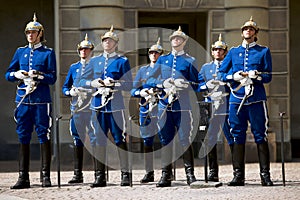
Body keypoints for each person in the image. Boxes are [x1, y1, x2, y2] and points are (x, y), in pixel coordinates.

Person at [218, 16, 273, 186]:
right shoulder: (233, 52)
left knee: (260, 135)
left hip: (256, 99)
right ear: (241, 33)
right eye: (245, 29)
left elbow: (268, 76)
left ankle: (265, 175)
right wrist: (232, 76)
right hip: (236, 98)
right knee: (237, 135)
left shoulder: (263, 51)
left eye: (250, 29)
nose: (247, 31)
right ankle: (238, 176)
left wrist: (257, 76)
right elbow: (220, 73)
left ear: (256, 33)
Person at [5, 13, 57, 189]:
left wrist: (39, 75)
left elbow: (52, 78)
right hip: (23, 100)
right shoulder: (20, 52)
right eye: (28, 32)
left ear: (40, 33)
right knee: (23, 136)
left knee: (44, 135)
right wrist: (16, 74)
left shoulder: (48, 53)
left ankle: (45, 176)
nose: (30, 35)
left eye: (33, 32)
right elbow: (8, 74)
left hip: (41, 101)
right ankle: (23, 177)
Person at [79, 25, 132, 187]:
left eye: (110, 41)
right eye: (105, 41)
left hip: (115, 106)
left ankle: (125, 174)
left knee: (119, 139)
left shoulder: (122, 61)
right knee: (98, 140)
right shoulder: (94, 61)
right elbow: (81, 81)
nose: (107, 43)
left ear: (116, 43)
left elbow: (129, 84)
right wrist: (93, 82)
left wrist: (115, 84)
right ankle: (99, 176)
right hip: (97, 106)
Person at [146, 26, 199, 187]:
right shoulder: (162, 60)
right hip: (164, 106)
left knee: (185, 140)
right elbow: (150, 81)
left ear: (184, 42)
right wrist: (162, 82)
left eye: (179, 39)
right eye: (173, 39)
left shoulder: (190, 61)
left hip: (183, 106)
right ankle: (165, 174)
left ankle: (190, 174)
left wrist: (185, 84)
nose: (176, 41)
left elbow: (197, 84)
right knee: (165, 140)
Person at [198, 34, 234, 182]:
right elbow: (198, 84)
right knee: (210, 138)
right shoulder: (206, 68)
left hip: (226, 104)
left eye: (221, 50)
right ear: (212, 52)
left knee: (231, 137)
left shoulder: (230, 67)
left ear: (225, 52)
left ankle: (237, 172)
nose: (218, 52)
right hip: (211, 105)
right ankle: (213, 172)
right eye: (215, 50)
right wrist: (206, 86)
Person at [62, 34, 95, 184]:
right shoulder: (73, 67)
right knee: (77, 139)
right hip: (77, 108)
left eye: (87, 49)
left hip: (91, 107)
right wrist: (70, 92)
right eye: (82, 49)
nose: (84, 51)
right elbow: (65, 87)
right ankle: (77, 174)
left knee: (95, 139)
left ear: (91, 51)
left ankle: (98, 175)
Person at [131, 38, 164, 183]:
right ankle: (149, 172)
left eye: (157, 53)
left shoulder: (165, 70)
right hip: (145, 107)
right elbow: (133, 89)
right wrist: (141, 93)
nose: (154, 55)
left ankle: (165, 172)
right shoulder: (142, 70)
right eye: (151, 52)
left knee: (164, 138)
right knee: (147, 140)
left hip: (161, 107)